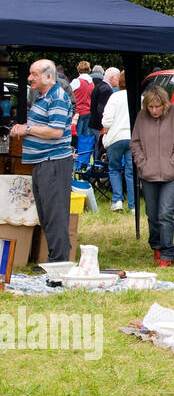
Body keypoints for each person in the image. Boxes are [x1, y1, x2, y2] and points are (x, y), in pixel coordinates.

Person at [10, 60, 75, 262]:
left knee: (54, 214)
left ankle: (59, 263)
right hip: (43, 161)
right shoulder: (43, 96)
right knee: (47, 214)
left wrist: (26, 129)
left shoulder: (57, 97)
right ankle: (57, 259)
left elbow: (55, 131)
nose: (30, 78)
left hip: (54, 162)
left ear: (48, 76)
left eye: (34, 74)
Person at [131, 85, 174, 263]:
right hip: (149, 174)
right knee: (152, 214)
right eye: (151, 107)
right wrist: (143, 164)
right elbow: (135, 143)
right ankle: (156, 246)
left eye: (158, 107)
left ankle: (167, 253)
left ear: (165, 104)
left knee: (165, 213)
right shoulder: (141, 117)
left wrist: (172, 164)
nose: (154, 110)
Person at [101, 72, 135, 212]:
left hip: (116, 137)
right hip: (133, 137)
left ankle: (118, 200)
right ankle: (133, 205)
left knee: (114, 169)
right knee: (131, 171)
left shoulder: (115, 97)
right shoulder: (140, 97)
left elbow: (106, 121)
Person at [70, 60, 95, 166]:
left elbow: (68, 94)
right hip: (88, 112)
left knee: (75, 139)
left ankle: (76, 165)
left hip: (77, 114)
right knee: (85, 140)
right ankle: (83, 164)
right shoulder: (92, 83)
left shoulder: (76, 81)